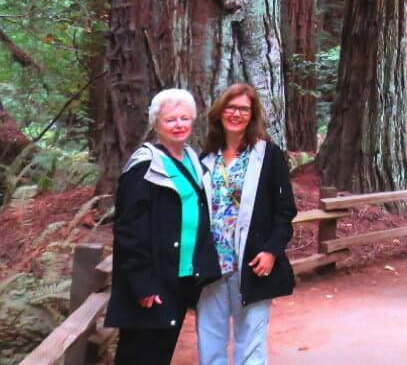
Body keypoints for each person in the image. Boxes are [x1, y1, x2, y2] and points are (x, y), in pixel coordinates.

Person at [106, 89, 221, 364]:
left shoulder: (192, 160)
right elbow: (128, 230)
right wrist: (142, 284)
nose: (179, 125)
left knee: (162, 350)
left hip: (180, 275)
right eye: (170, 120)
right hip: (153, 279)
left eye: (184, 118)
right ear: (156, 123)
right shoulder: (144, 166)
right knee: (139, 352)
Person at [197, 83, 298, 365]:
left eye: (243, 108)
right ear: (219, 112)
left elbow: (285, 211)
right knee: (210, 336)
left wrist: (271, 251)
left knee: (250, 338)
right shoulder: (204, 158)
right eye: (230, 107)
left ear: (252, 115)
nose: (236, 114)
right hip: (212, 262)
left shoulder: (268, 155)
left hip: (253, 260)